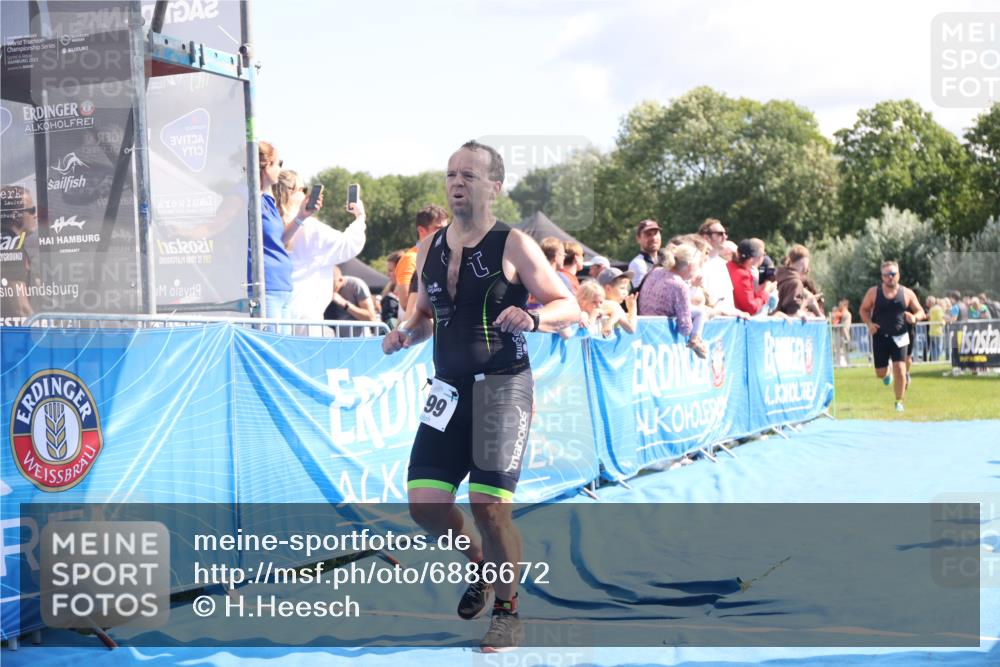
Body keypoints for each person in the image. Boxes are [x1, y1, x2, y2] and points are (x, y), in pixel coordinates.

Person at [381, 140, 578, 651]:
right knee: (425, 507)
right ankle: (483, 565)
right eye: (450, 174)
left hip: (502, 387)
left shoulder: (513, 243)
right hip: (447, 390)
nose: (456, 182)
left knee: (489, 508)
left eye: (468, 174)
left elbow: (567, 306)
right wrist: (405, 332)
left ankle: (508, 612)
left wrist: (534, 317)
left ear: (495, 185)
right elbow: (425, 316)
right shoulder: (427, 248)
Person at [275, 170, 366, 324]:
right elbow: (349, 245)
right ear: (290, 193)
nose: (306, 195)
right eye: (303, 190)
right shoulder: (310, 229)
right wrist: (360, 216)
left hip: (279, 311)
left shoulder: (270, 224)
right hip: (306, 315)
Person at [252, 142, 324, 330]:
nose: (280, 169)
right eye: (278, 163)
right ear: (264, 166)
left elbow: (279, 240)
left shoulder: (267, 199)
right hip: (265, 288)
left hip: (282, 286)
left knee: (281, 346)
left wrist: (301, 215)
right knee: (270, 349)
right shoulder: (245, 198)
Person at [858, 260, 925, 412]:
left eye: (893, 274)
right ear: (882, 277)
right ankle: (887, 374)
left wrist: (914, 318)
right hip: (880, 335)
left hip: (900, 336)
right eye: (887, 274)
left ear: (898, 275)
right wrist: (869, 324)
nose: (890, 277)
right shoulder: (874, 292)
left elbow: (920, 311)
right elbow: (863, 310)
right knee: (880, 373)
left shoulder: (907, 293)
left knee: (900, 368)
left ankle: (899, 401)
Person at [637, 243, 708, 358]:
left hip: (643, 328)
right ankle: (695, 339)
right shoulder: (679, 285)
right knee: (700, 312)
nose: (698, 269)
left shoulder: (656, 271)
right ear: (690, 265)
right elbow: (684, 329)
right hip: (660, 336)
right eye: (698, 265)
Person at [396, 205, 449, 312]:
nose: (445, 232)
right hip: (416, 325)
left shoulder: (447, 255)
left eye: (446, 228)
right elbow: (406, 304)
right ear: (421, 231)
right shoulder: (410, 259)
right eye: (438, 228)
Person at [0, 185, 39, 323]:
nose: (36, 215)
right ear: (16, 215)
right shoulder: (10, 247)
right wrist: (44, 336)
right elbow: (21, 309)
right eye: (32, 210)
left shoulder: (12, 243)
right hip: (12, 339)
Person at [322, 264, 377, 336]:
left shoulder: (356, 285)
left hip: (359, 342)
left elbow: (371, 318)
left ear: (340, 280)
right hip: (335, 342)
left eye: (333, 285)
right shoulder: (322, 289)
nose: (330, 289)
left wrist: (345, 304)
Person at [726, 238, 776, 318]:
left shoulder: (729, 265)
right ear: (752, 258)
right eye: (763, 254)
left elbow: (771, 278)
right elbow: (751, 308)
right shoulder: (743, 275)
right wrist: (766, 291)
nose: (763, 257)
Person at [775, 244, 823, 318]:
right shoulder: (795, 282)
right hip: (785, 327)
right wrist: (807, 302)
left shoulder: (779, 276)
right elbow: (792, 313)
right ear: (803, 261)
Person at [596, 268, 638, 334]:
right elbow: (631, 329)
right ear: (608, 288)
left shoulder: (594, 304)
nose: (626, 292)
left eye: (626, 288)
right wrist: (632, 308)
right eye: (622, 288)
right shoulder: (614, 305)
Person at [628, 219, 661, 289]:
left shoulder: (664, 260)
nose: (654, 238)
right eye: (648, 234)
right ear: (638, 239)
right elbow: (641, 295)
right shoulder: (637, 264)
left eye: (656, 233)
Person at [379, 250, 405, 330]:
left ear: (400, 269)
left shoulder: (414, 291)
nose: (387, 274)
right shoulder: (389, 292)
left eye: (390, 270)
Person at [830, 299, 853, 367]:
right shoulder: (841, 313)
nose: (839, 307)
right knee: (838, 350)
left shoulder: (846, 314)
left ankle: (846, 363)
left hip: (843, 334)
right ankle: (839, 363)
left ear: (844, 305)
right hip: (839, 334)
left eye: (840, 305)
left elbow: (845, 326)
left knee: (844, 350)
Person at [926, 296, 944, 362]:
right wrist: (944, 323)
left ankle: (934, 360)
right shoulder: (938, 309)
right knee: (938, 348)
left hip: (932, 331)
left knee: (933, 348)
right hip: (938, 331)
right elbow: (940, 320)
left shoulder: (931, 309)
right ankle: (936, 360)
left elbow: (929, 318)